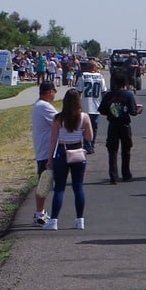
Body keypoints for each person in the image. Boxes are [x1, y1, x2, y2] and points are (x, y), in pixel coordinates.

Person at [44, 89, 94, 230]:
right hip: (78, 151)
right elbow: (89, 137)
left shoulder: (59, 118)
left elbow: (53, 140)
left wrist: (50, 158)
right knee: (78, 187)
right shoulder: (84, 117)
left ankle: (53, 221)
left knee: (59, 188)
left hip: (62, 151)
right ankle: (80, 220)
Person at [30, 80, 60, 226]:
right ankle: (39, 213)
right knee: (44, 183)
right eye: (54, 91)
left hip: (44, 149)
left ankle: (41, 211)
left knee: (45, 182)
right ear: (50, 92)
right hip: (45, 151)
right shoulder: (44, 107)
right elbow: (60, 121)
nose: (55, 94)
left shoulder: (39, 105)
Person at [99, 73, 138, 183]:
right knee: (126, 150)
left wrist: (110, 113)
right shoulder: (128, 95)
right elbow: (133, 112)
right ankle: (126, 174)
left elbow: (102, 110)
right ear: (125, 83)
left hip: (112, 125)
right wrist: (138, 110)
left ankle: (113, 175)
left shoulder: (108, 95)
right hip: (125, 125)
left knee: (112, 151)